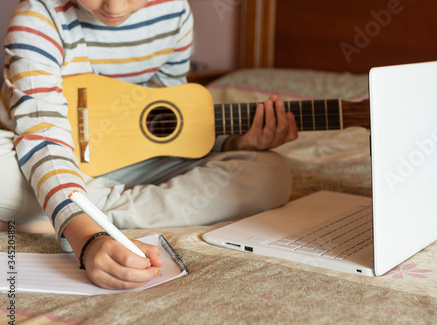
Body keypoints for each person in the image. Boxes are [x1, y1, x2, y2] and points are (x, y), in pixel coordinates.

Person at [0, 0, 298, 290]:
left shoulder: (174, 12)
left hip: (131, 161)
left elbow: (166, 118)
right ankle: (72, 212)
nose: (114, 8)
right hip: (39, 154)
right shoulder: (39, 15)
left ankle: (62, 210)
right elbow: (43, 137)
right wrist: (89, 240)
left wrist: (234, 142)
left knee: (271, 173)